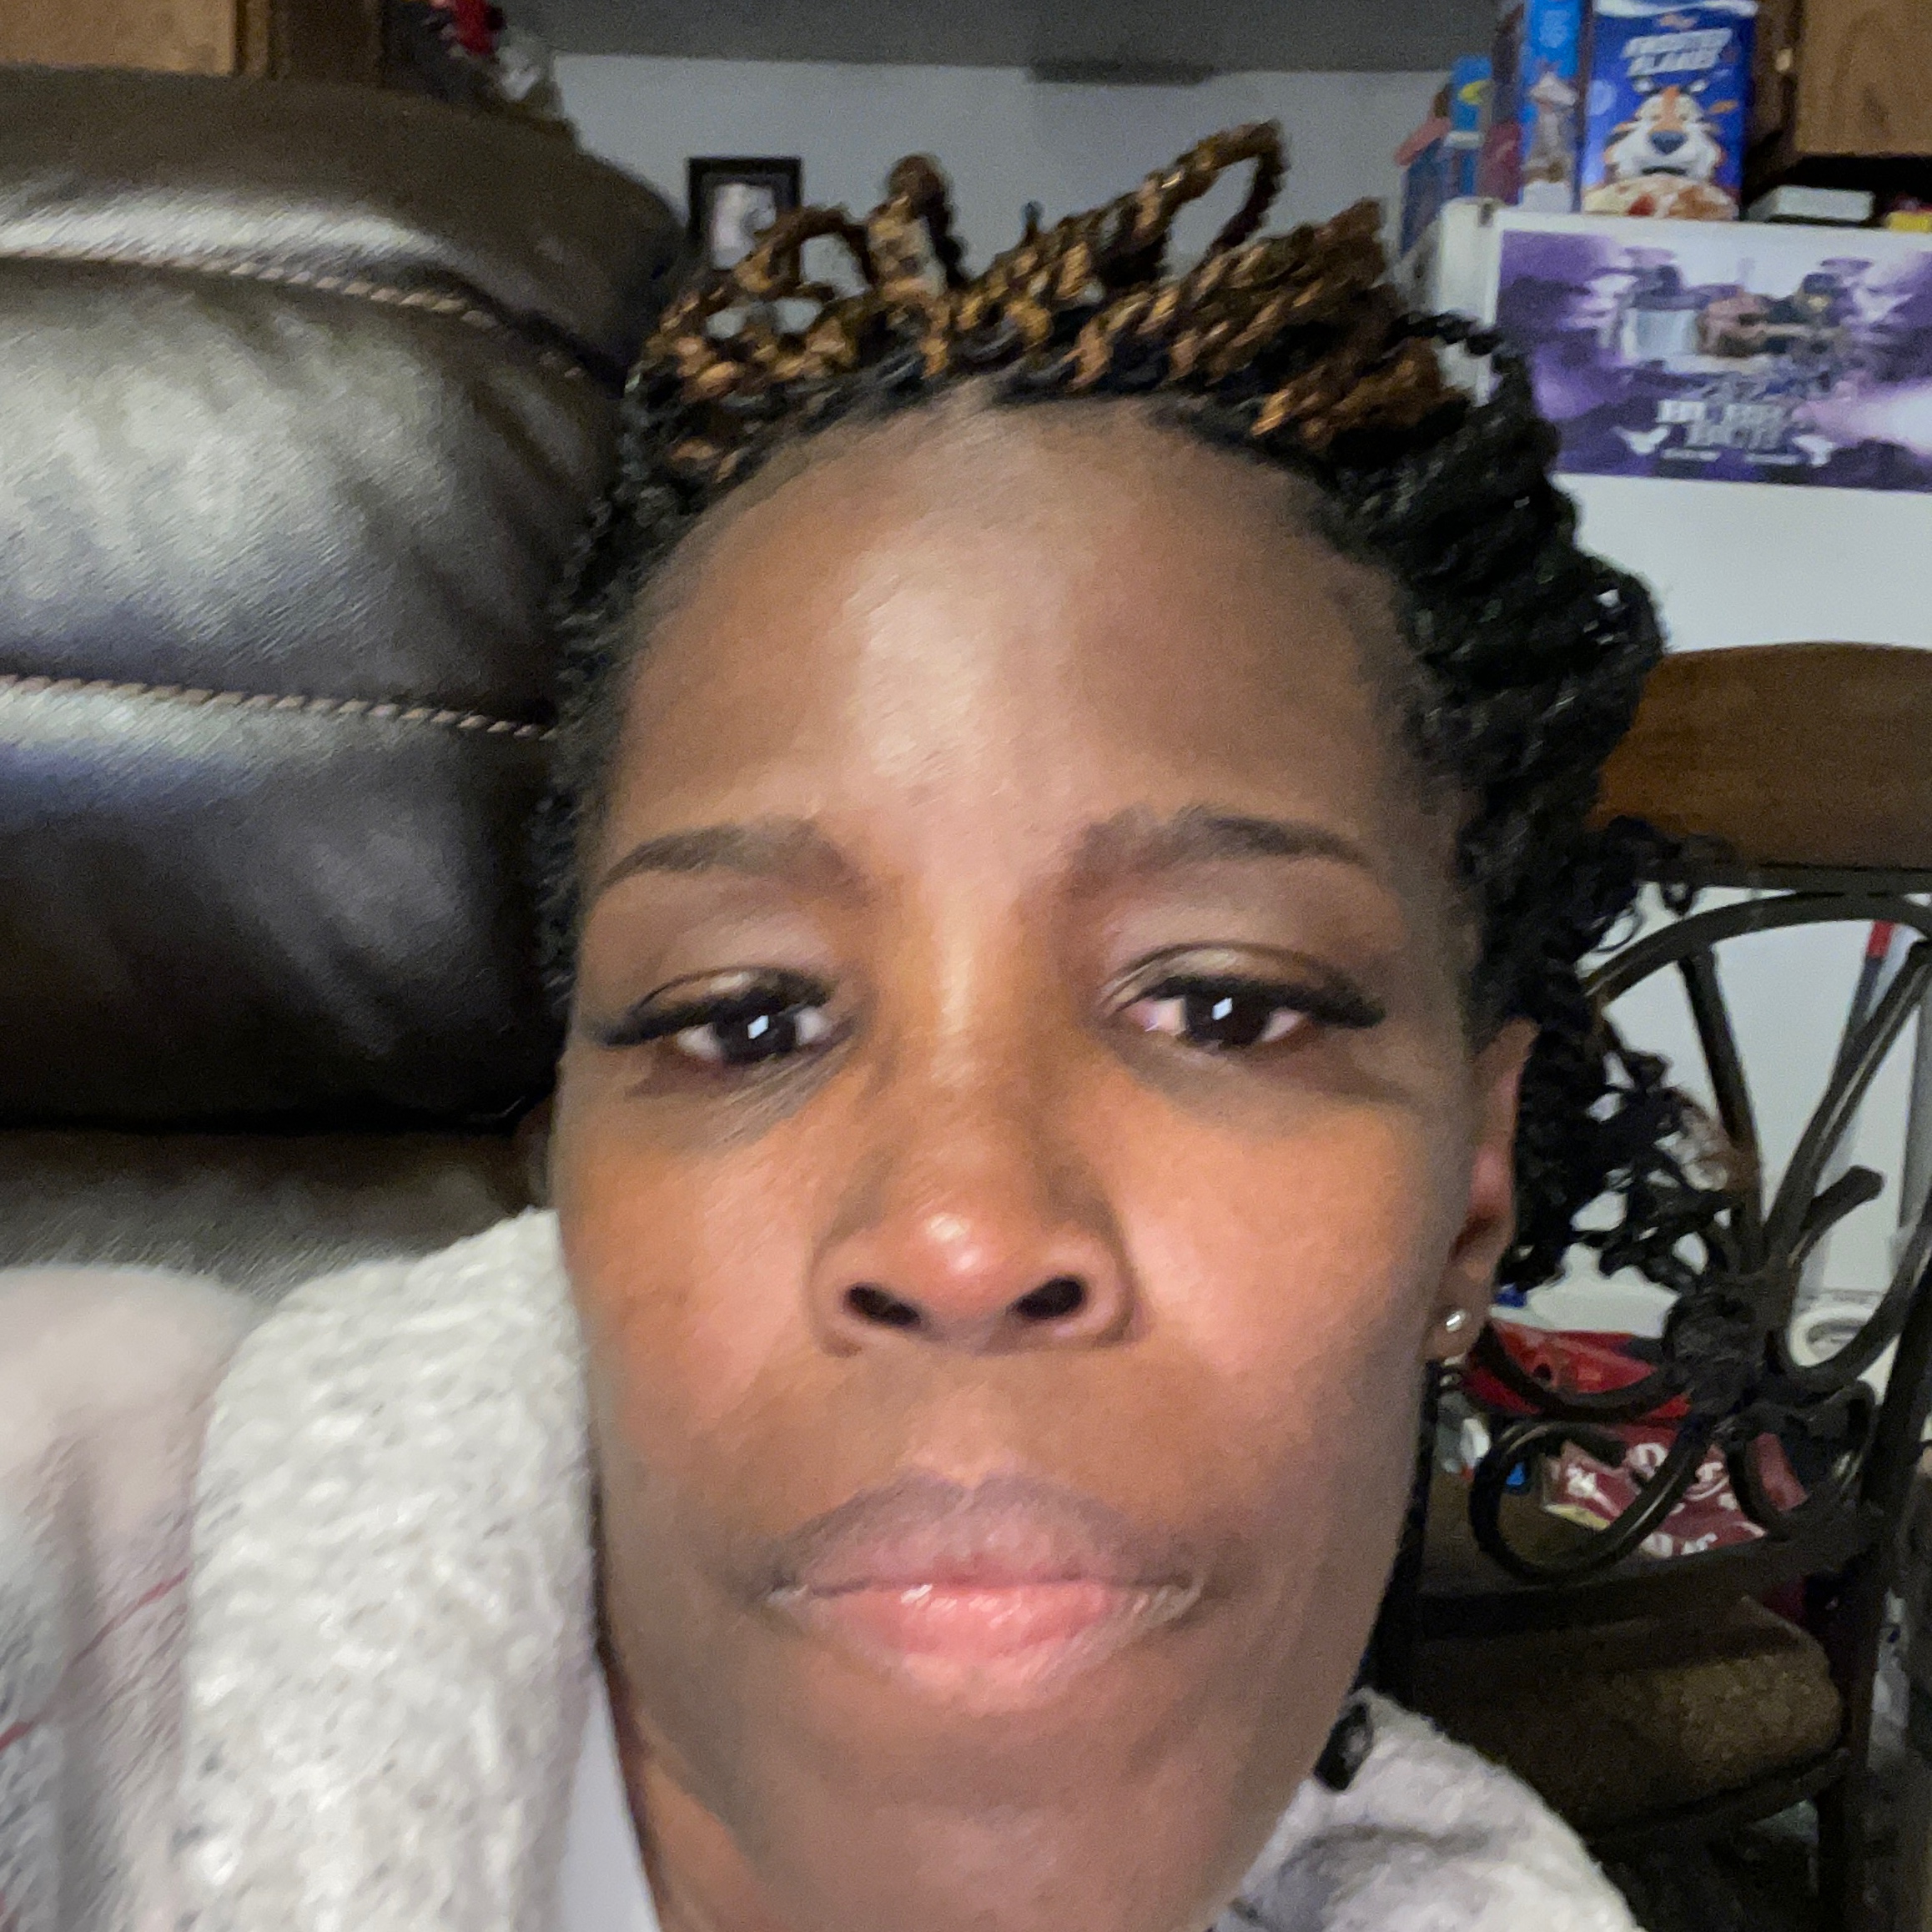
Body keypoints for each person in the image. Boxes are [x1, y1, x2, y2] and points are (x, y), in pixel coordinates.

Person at [5, 126, 1716, 1932]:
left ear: (1470, 1195)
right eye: (746, 1020)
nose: (961, 1238)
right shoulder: (85, 1534)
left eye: (1221, 1007)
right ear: (567, 1178)